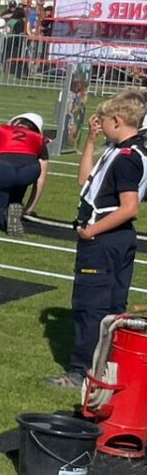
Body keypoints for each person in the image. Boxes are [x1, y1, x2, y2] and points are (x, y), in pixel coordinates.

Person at [51, 91, 146, 390]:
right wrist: (91, 141)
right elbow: (85, 180)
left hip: (104, 240)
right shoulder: (124, 150)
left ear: (117, 120)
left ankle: (81, 371)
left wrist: (91, 231)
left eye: (103, 122)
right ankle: (108, 366)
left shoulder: (127, 159)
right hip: (117, 240)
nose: (100, 126)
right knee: (113, 305)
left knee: (91, 306)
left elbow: (130, 207)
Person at [0, 110, 50, 234]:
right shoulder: (39, 139)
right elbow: (41, 179)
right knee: (17, 178)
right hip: (28, 172)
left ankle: (3, 215)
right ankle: (13, 207)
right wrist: (29, 209)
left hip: (2, 169)